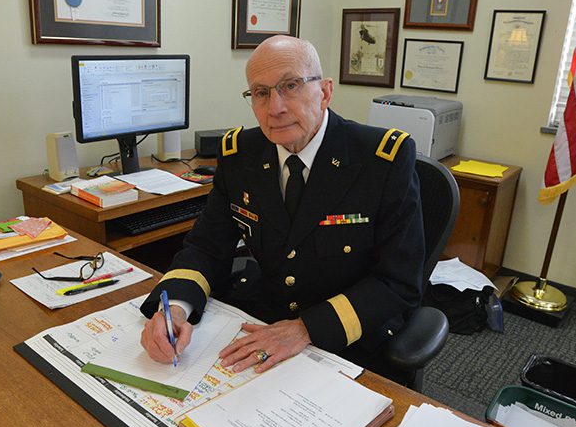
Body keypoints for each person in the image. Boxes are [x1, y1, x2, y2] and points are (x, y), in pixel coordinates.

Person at [139, 35, 424, 378]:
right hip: (265, 322)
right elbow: (206, 246)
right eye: (260, 93)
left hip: (349, 338)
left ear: (325, 92)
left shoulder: (382, 160)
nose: (275, 107)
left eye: (291, 85)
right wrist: (176, 309)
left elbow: (399, 282)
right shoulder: (239, 154)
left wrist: (306, 329)